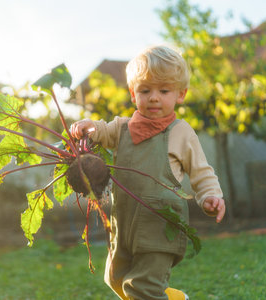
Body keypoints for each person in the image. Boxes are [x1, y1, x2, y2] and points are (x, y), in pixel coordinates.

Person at [70, 44, 226, 300]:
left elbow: (201, 171)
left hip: (160, 224)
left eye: (164, 90)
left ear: (180, 94)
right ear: (133, 94)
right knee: (116, 278)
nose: (154, 97)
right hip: (124, 224)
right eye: (145, 90)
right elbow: (101, 131)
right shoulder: (122, 128)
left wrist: (210, 195)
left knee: (141, 288)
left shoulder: (181, 132)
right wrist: (89, 128)